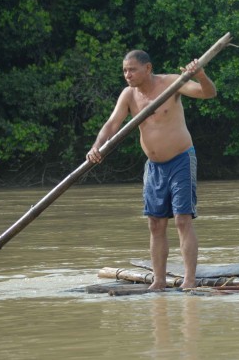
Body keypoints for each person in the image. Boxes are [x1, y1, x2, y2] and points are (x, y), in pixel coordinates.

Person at [86, 50, 217, 290]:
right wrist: (96, 147)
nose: (127, 75)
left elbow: (208, 93)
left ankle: (189, 280)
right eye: (125, 70)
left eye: (132, 69)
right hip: (154, 166)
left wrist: (201, 75)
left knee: (182, 219)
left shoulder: (170, 83)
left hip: (181, 160)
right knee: (155, 224)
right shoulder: (128, 95)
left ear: (147, 68)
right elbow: (111, 124)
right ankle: (158, 281)